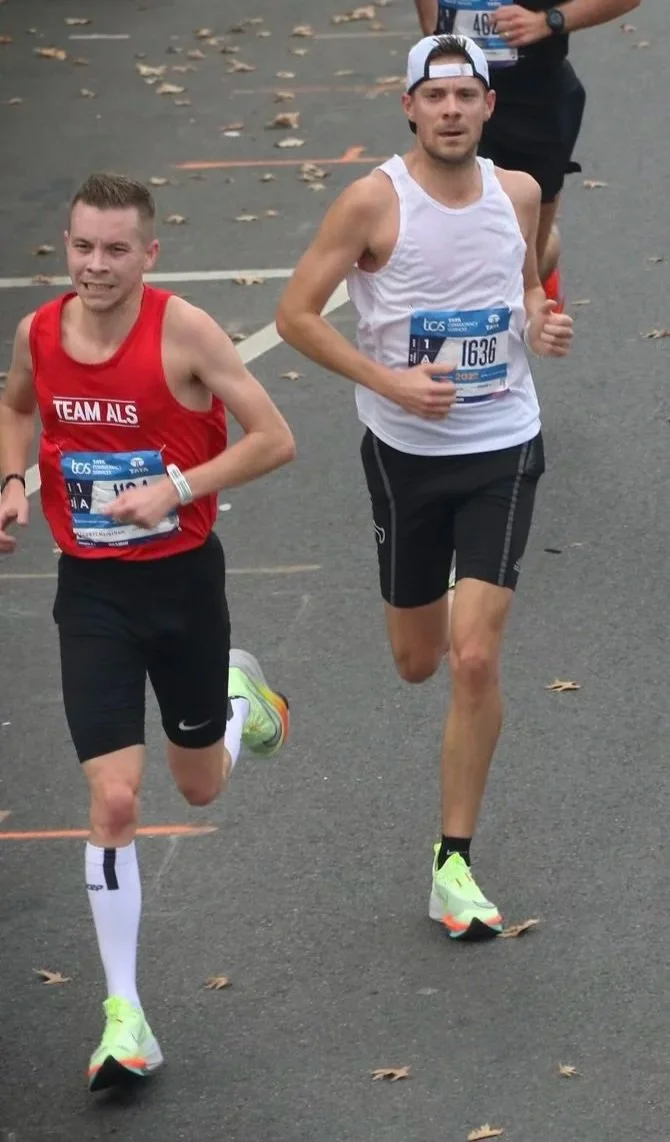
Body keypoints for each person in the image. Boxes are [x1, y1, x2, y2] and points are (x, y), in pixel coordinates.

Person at [0, 173, 295, 1090]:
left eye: (115, 249)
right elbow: (16, 407)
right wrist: (11, 481)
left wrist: (177, 486)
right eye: (82, 246)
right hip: (91, 591)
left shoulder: (185, 332)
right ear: (67, 245)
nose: (95, 265)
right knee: (118, 801)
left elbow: (275, 438)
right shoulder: (38, 334)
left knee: (198, 786)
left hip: (183, 588)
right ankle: (124, 1015)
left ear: (149, 254)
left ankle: (239, 703)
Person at [276, 35, 573, 939]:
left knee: (475, 657)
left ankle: (454, 864)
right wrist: (389, 382)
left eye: (465, 95)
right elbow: (294, 315)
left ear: (488, 106)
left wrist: (540, 320)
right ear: (408, 106)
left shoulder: (518, 192)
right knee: (418, 661)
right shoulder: (372, 202)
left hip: (502, 444)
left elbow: (526, 283)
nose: (450, 110)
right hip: (404, 452)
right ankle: (442, 596)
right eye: (434, 96)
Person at [413, 0, 640, 308]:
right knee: (457, 236)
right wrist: (433, 28)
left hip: (537, 100)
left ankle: (543, 269)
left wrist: (549, 21)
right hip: (459, 98)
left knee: (525, 260)